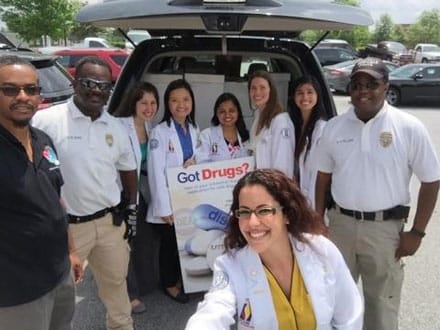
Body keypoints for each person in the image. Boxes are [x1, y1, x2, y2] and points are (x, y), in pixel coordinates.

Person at [315, 57, 440, 330]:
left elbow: (431, 180)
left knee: (382, 309)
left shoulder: (408, 127)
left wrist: (417, 232)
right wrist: (317, 220)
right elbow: (322, 177)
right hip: (340, 227)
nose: (363, 90)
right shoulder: (334, 128)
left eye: (372, 84)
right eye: (357, 84)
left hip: (385, 232)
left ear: (386, 87)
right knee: (335, 303)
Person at [32, 56, 138, 330]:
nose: (96, 90)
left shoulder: (115, 126)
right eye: (88, 83)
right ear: (75, 83)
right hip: (66, 228)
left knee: (116, 286)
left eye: (103, 85)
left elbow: (128, 171)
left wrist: (129, 211)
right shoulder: (46, 120)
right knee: (59, 294)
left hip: (108, 224)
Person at [186, 169, 363, 329]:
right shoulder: (230, 266)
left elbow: (349, 317)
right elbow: (213, 311)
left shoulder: (322, 251)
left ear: (286, 214)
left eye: (263, 211)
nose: (253, 223)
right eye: (245, 212)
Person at [0, 55, 82, 329]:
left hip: (58, 275)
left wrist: (70, 251)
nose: (23, 96)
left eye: (31, 89)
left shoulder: (42, 140)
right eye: (10, 89)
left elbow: (56, 199)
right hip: (17, 292)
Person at [147, 79, 200, 303]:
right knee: (170, 245)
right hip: (169, 200)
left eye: (186, 99)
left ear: (192, 103)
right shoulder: (160, 133)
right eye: (175, 100)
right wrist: (163, 207)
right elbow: (155, 171)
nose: (181, 104)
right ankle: (169, 283)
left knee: (187, 241)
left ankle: (185, 280)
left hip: (189, 198)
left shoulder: (196, 129)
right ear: (167, 104)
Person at [115, 81, 159, 314]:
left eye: (153, 103)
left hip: (142, 192)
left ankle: (144, 284)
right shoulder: (120, 126)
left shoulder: (152, 128)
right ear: (134, 103)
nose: (149, 108)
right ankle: (130, 294)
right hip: (122, 194)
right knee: (125, 244)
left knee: (143, 239)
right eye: (144, 103)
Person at [288, 75, 328, 207]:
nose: (305, 97)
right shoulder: (293, 126)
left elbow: (319, 173)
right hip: (299, 199)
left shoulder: (322, 129)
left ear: (318, 95)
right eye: (300, 93)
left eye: (310, 92)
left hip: (314, 201)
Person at [247, 70, 295, 178]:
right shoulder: (258, 117)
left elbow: (283, 166)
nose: (257, 92)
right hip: (258, 184)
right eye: (253, 88)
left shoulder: (281, 121)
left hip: (273, 188)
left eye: (262, 87)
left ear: (271, 90)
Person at [196, 92, 249, 163]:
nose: (227, 115)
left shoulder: (247, 136)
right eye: (222, 111)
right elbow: (201, 162)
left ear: (238, 113)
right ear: (216, 114)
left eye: (231, 111)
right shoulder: (207, 135)